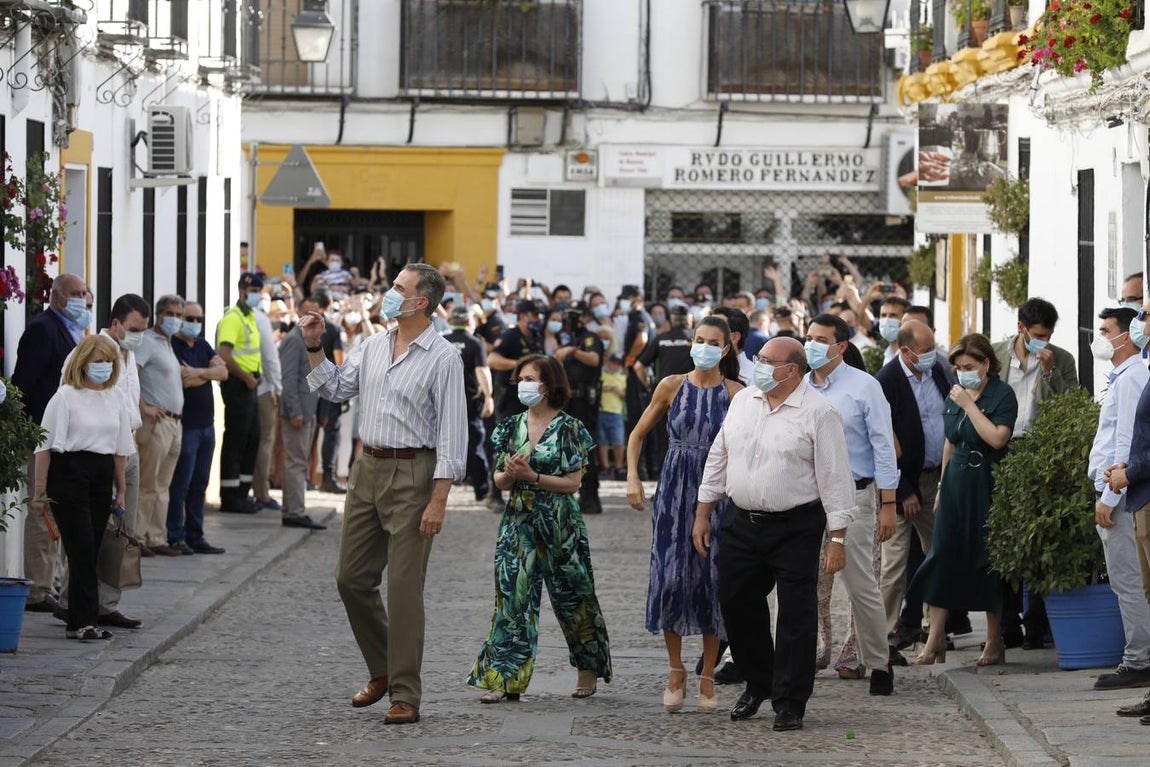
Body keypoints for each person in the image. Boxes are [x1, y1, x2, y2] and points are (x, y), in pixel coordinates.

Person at [301, 263, 467, 725]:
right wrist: (315, 346)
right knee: (350, 578)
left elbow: (454, 434)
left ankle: (405, 695)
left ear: (420, 303)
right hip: (367, 469)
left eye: (398, 287)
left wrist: (439, 499)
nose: (388, 293)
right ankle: (383, 668)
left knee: (404, 589)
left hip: (415, 473)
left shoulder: (443, 356)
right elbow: (334, 389)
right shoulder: (371, 345)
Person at [692, 337, 856, 731]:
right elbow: (720, 455)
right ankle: (758, 681)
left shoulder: (819, 412)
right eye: (760, 359)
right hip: (740, 521)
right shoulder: (744, 401)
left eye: (768, 361)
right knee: (736, 602)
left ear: (792, 370)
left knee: (797, 615)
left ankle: (790, 700)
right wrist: (703, 511)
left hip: (795, 526)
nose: (759, 366)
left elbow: (835, 478)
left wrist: (837, 538)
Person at [467, 355, 612, 703]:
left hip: (560, 521)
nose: (522, 385)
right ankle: (504, 678)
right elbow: (499, 480)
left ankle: (587, 671)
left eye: (529, 378)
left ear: (548, 385)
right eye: (519, 379)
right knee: (511, 597)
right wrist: (510, 474)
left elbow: (572, 483)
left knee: (573, 596)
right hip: (518, 519)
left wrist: (532, 476)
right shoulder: (510, 425)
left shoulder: (571, 428)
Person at [625, 316, 743, 714]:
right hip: (674, 492)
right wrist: (632, 478)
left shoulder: (737, 393)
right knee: (671, 578)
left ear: (726, 349)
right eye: (699, 340)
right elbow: (637, 433)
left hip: (718, 495)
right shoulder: (671, 385)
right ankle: (676, 669)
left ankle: (707, 673)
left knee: (712, 581)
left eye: (713, 342)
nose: (704, 347)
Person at [910, 333, 1017, 667]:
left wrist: (971, 405)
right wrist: (942, 485)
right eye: (957, 367)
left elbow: (997, 438)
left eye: (968, 366)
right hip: (956, 481)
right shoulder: (955, 394)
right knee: (943, 556)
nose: (961, 373)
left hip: (987, 480)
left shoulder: (1002, 394)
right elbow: (949, 441)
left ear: (986, 364)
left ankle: (994, 639)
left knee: (987, 558)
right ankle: (935, 637)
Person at [804, 314, 897, 696]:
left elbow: (883, 446)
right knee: (803, 584)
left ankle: (878, 663)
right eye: (808, 337)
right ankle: (802, 658)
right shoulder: (798, 387)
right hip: (806, 500)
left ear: (841, 346)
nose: (811, 344)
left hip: (855, 496)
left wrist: (887, 501)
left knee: (861, 585)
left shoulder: (864, 386)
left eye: (821, 339)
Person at [55, 294, 150, 628]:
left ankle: (106, 603)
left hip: (126, 444)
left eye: (143, 330)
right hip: (96, 451)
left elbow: (129, 401)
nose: (138, 335)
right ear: (115, 323)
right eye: (134, 328)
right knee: (87, 535)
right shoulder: (89, 354)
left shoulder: (129, 353)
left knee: (119, 532)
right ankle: (72, 602)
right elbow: (68, 393)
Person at [31, 335, 134, 641]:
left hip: (101, 474)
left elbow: (120, 450)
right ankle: (82, 622)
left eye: (107, 362)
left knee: (92, 549)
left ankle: (83, 620)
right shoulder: (65, 397)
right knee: (81, 548)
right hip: (70, 472)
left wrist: (122, 491)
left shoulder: (115, 398)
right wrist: (40, 491)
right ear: (83, 363)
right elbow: (44, 447)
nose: (102, 367)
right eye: (97, 361)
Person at [992, 297, 1077, 649]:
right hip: (1001, 449)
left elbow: (1071, 404)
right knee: (1002, 540)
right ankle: (1007, 623)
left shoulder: (1062, 360)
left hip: (1040, 453)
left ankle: (1037, 625)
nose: (1043, 340)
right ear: (1021, 329)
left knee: (1039, 539)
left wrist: (1049, 373)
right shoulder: (995, 356)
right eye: (1037, 334)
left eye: (1049, 334)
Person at [875, 321, 952, 657]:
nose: (931, 356)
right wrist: (903, 490)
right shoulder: (886, 382)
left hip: (935, 480)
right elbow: (882, 440)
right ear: (905, 351)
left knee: (937, 555)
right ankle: (884, 637)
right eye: (924, 351)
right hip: (900, 485)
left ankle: (933, 628)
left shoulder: (937, 371)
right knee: (894, 565)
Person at [12, 273, 88, 612]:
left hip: (69, 438)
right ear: (56, 296)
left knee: (58, 513)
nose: (81, 299)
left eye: (84, 293)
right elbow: (24, 383)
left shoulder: (74, 331)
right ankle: (40, 589)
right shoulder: (43, 329)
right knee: (42, 512)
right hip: (44, 435)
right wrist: (31, 433)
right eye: (75, 293)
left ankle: (52, 583)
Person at [1085, 308, 1150, 689]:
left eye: (1106, 331)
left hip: (1120, 493)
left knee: (1128, 581)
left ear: (1125, 335)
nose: (1101, 338)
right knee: (1130, 581)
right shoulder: (1129, 375)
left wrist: (1110, 494)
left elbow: (1125, 441)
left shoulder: (1130, 380)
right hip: (1118, 489)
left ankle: (1138, 659)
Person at [1106, 302, 1150, 719]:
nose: (1140, 324)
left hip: (1136, 492)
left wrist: (1122, 479)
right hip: (1134, 490)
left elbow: (1136, 440)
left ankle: (1141, 665)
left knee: (1137, 588)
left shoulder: (1139, 374)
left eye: (1146, 317)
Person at [168, 303, 229, 552]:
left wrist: (198, 372)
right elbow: (183, 379)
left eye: (198, 318)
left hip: (207, 425)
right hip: (187, 425)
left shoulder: (202, 345)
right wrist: (208, 373)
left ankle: (196, 534)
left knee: (200, 482)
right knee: (181, 482)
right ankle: (175, 534)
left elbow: (223, 372)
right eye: (189, 318)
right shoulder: (172, 346)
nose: (194, 322)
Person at [134, 295, 186, 557]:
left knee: (163, 485)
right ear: (158, 315)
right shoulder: (148, 342)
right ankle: (138, 536)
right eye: (170, 313)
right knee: (147, 484)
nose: (175, 319)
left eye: (179, 314)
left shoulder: (168, 344)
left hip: (175, 423)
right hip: (156, 423)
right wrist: (144, 407)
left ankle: (156, 536)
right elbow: (131, 372)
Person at [276, 297, 329, 531]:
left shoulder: (307, 338)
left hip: (308, 410)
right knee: (296, 463)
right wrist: (295, 410)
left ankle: (292, 510)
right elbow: (288, 379)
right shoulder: (293, 340)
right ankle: (295, 511)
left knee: (298, 462)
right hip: (296, 412)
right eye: (307, 311)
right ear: (298, 312)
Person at [216, 273, 265, 513]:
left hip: (251, 384)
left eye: (259, 289)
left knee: (252, 438)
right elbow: (225, 355)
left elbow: (251, 352)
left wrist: (257, 373)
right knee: (236, 439)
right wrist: (246, 377)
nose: (256, 294)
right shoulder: (233, 318)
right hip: (238, 385)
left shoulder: (251, 317)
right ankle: (230, 496)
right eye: (253, 289)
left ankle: (243, 494)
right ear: (241, 291)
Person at [555, 301, 604, 515]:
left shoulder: (589, 338)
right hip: (570, 400)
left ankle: (590, 497)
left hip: (586, 402)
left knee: (586, 447)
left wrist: (572, 352)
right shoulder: (572, 339)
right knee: (567, 447)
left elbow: (594, 359)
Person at [444, 304, 494, 503]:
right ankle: (482, 490)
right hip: (468, 401)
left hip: (444, 401)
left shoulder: (442, 341)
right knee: (475, 444)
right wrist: (489, 396)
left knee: (444, 447)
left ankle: (436, 491)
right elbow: (482, 371)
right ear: (469, 322)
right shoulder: (475, 343)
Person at [312, 290, 347, 494]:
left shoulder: (306, 327)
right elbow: (340, 361)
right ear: (330, 303)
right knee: (332, 430)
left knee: (310, 431)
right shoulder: (333, 329)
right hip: (328, 384)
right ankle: (328, 477)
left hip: (308, 384)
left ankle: (307, 478)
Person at [252, 289, 283, 513]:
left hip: (243, 389)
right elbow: (271, 358)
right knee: (264, 441)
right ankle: (261, 493)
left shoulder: (232, 315)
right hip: (263, 390)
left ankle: (249, 489)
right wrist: (279, 388)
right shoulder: (261, 319)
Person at [598, 354, 627, 480]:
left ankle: (619, 467)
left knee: (618, 441)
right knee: (602, 441)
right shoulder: (602, 375)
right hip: (601, 410)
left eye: (617, 363)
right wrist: (605, 388)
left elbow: (626, 395)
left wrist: (618, 391)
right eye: (613, 362)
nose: (614, 365)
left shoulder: (623, 377)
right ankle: (605, 467)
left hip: (616, 413)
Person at [876, 296, 910, 365]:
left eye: (892, 315)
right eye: (883, 315)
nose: (886, 320)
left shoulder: (911, 355)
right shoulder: (888, 354)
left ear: (905, 319)